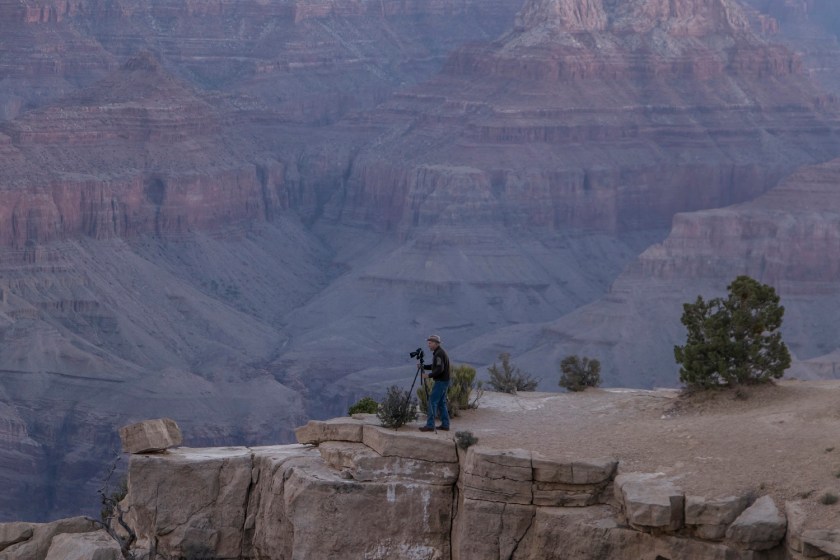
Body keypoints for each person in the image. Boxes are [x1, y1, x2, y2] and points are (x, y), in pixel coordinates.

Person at [418, 334, 451, 432]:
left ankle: (430, 425)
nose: (429, 345)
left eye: (430, 343)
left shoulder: (439, 354)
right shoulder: (439, 352)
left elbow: (440, 369)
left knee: (432, 401)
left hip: (441, 381)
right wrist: (424, 366)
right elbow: (435, 366)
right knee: (441, 403)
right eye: (428, 343)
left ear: (436, 343)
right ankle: (445, 425)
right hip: (444, 380)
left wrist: (428, 376)